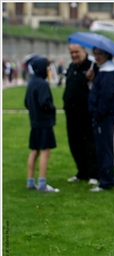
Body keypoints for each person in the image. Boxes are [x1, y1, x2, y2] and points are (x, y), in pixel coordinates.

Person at [64, 43, 99, 186]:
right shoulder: (71, 66)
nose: (74, 55)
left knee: (89, 144)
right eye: (71, 52)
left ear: (83, 51)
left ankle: (93, 173)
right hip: (71, 112)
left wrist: (92, 79)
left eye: (76, 52)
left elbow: (98, 87)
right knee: (75, 143)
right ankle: (81, 171)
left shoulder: (92, 66)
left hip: (86, 112)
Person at [88, 47, 114, 192]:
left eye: (99, 54)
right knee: (102, 147)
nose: (96, 57)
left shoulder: (108, 72)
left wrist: (98, 114)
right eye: (94, 54)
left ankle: (107, 181)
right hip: (103, 116)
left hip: (104, 117)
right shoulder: (103, 70)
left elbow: (106, 97)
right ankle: (104, 178)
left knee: (104, 148)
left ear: (107, 55)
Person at [24, 56, 59, 192]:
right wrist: (52, 108)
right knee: (45, 151)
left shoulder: (31, 82)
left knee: (34, 150)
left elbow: (26, 102)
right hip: (44, 123)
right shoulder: (42, 84)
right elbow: (44, 102)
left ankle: (30, 181)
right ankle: (42, 184)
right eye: (46, 66)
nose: (48, 69)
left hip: (35, 123)